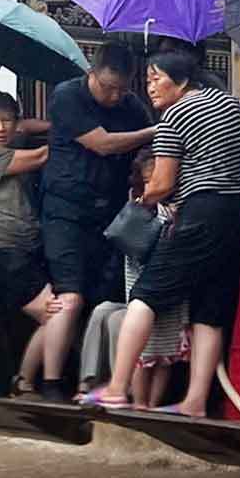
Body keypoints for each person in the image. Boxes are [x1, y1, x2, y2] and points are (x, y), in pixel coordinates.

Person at [81, 50, 240, 416]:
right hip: (239, 216)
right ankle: (195, 402)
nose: (150, 87)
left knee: (144, 295)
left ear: (183, 80)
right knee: (209, 308)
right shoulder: (230, 104)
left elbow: (161, 184)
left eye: (157, 78)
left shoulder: (174, 116)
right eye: (147, 80)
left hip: (200, 213)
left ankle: (117, 387)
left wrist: (142, 201)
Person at [36, 42, 156, 402]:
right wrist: (153, 132)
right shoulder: (67, 96)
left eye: (122, 89)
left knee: (103, 299)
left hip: (110, 216)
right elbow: (102, 144)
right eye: (108, 88)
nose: (114, 96)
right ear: (91, 73)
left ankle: (90, 382)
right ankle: (50, 383)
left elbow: (150, 152)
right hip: (65, 210)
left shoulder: (132, 107)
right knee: (69, 295)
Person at [0, 90, 60, 391]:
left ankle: (21, 380)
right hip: (1, 252)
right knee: (56, 313)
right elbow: (42, 155)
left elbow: (27, 129)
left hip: (12, 252)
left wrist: (40, 125)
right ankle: (26, 382)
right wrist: (73, 130)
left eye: (7, 121)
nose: (0, 128)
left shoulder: (4, 150)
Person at [75, 150, 190, 407]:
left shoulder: (179, 212)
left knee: (161, 355)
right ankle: (130, 399)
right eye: (147, 181)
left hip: (166, 298)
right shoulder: (137, 211)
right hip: (139, 294)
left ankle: (149, 404)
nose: (154, 186)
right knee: (141, 351)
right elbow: (122, 241)